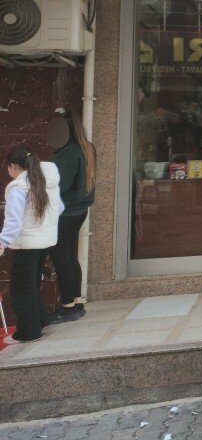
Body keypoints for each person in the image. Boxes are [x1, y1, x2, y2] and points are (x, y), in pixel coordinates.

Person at [1, 146, 64, 342]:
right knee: (32, 285)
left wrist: (2, 242)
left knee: (21, 290)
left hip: (26, 245)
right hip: (44, 242)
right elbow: (60, 208)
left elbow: (14, 220)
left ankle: (28, 332)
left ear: (12, 166)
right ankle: (40, 321)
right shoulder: (45, 182)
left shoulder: (17, 187)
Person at [46, 109, 96, 323]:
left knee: (60, 257)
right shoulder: (87, 148)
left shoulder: (67, 152)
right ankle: (76, 301)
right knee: (70, 255)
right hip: (80, 210)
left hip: (64, 212)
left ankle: (68, 306)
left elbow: (60, 184)